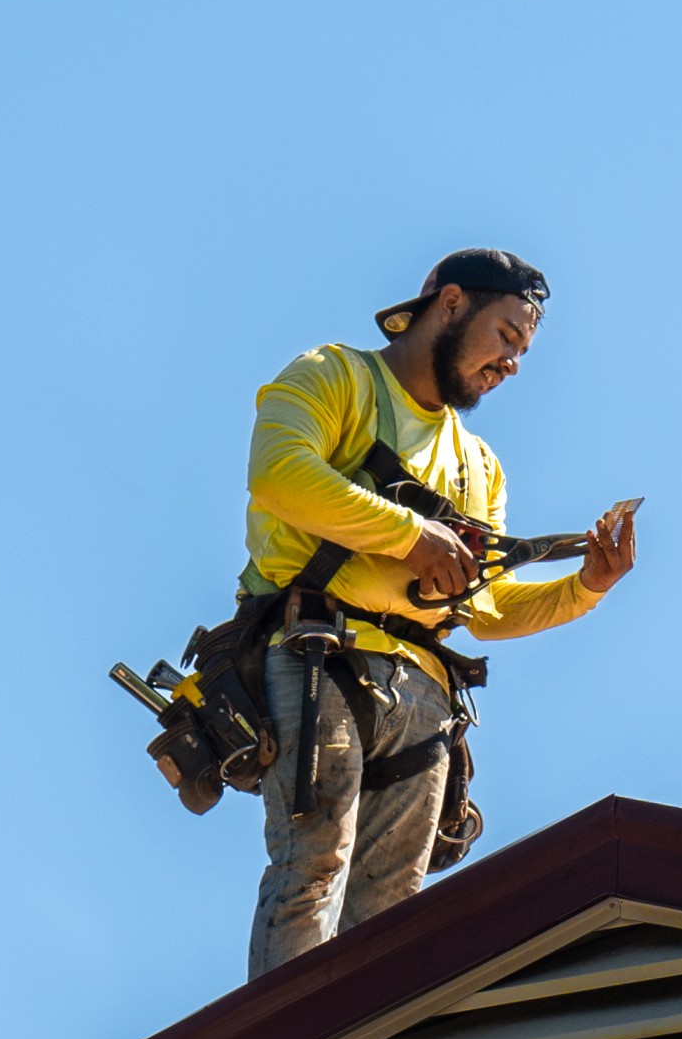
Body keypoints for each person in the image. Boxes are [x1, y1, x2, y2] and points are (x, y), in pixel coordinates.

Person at [239, 248, 635, 976]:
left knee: (392, 909)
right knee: (314, 863)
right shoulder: (336, 376)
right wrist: (409, 535)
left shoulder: (477, 464)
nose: (511, 363)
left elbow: (482, 608)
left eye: (522, 350)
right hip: (320, 651)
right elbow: (278, 474)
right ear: (449, 304)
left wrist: (585, 587)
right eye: (507, 336)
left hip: (423, 688)